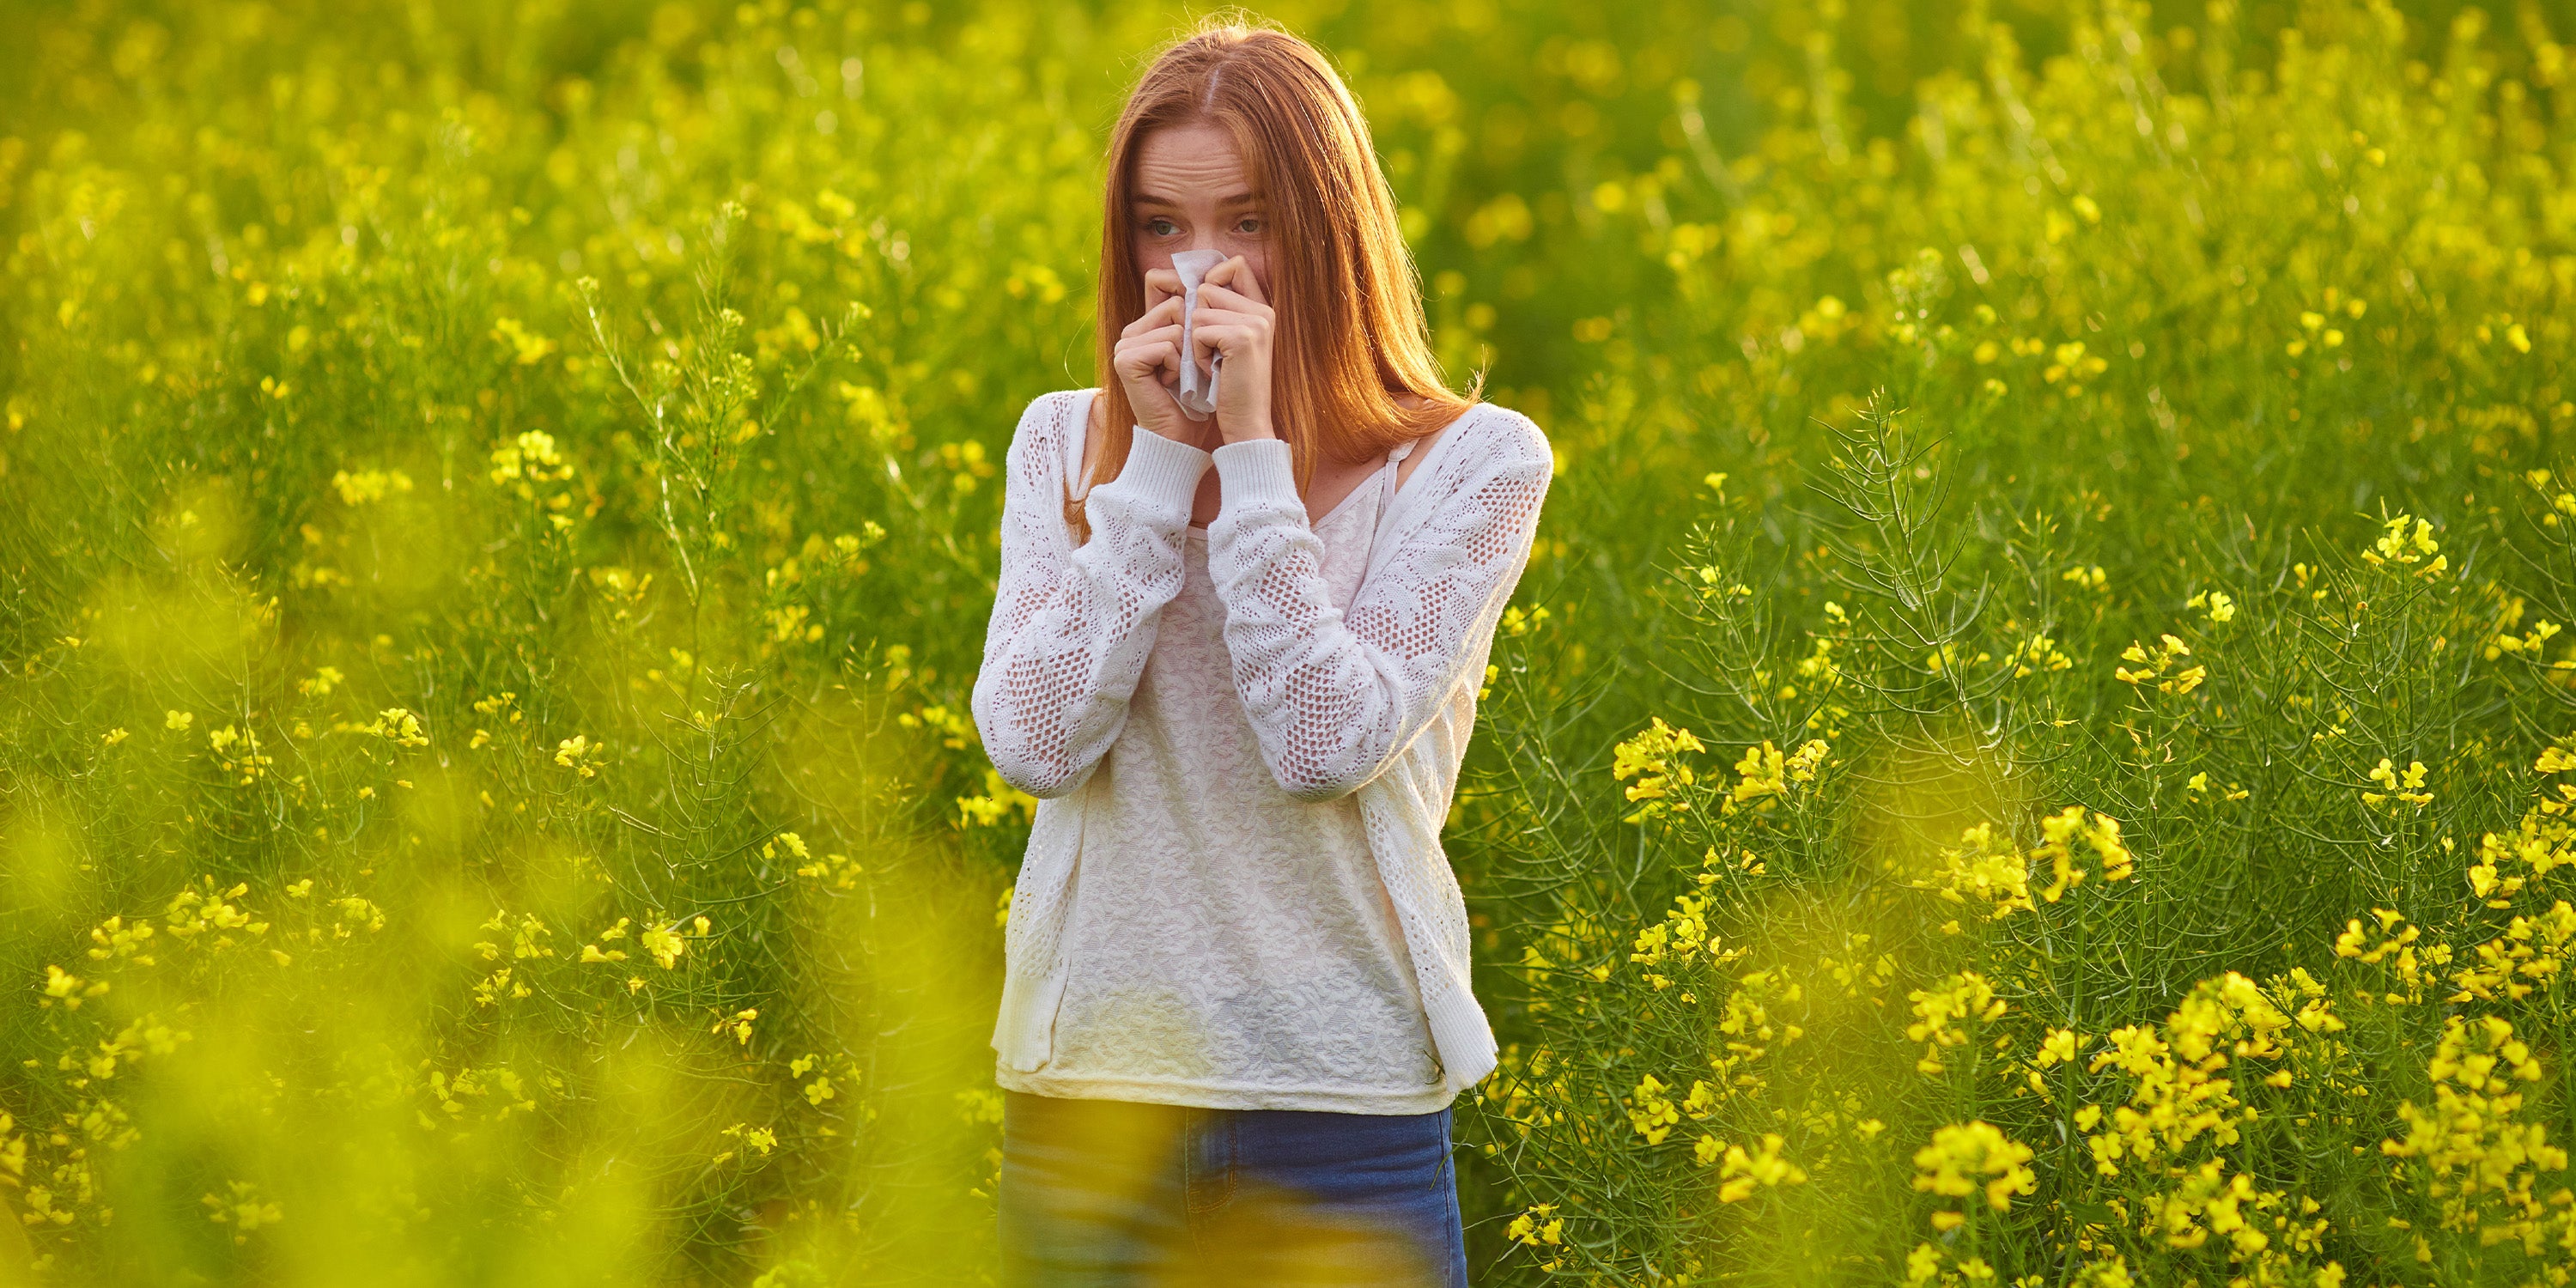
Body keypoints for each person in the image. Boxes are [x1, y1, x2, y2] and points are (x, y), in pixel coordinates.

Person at [969, 17, 1554, 1287]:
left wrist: (1248, 460)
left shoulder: (1475, 461)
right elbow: (1030, 741)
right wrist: (1158, 460)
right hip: (1090, 1102)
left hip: (1344, 1111)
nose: (1199, 271)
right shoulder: (1060, 443)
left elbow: (1320, 743)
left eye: (1249, 222)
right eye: (1160, 227)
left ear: (1329, 227)